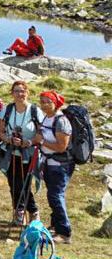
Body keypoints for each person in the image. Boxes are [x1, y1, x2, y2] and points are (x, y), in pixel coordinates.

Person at [0, 81, 44, 225]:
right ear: (12, 93)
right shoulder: (8, 110)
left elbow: (41, 134)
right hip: (11, 153)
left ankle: (28, 210)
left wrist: (28, 142)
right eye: (16, 91)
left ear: (27, 93)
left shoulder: (35, 111)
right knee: (13, 183)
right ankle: (22, 211)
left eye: (22, 91)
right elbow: (0, 131)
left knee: (24, 183)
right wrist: (9, 140)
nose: (20, 94)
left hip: (29, 153)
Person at [37, 90, 74, 243]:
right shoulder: (47, 117)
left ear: (56, 103)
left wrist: (41, 142)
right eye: (42, 101)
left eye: (48, 101)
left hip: (60, 165)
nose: (45, 104)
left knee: (55, 195)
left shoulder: (61, 121)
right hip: (48, 162)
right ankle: (55, 225)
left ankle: (64, 233)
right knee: (53, 195)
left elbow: (61, 147)